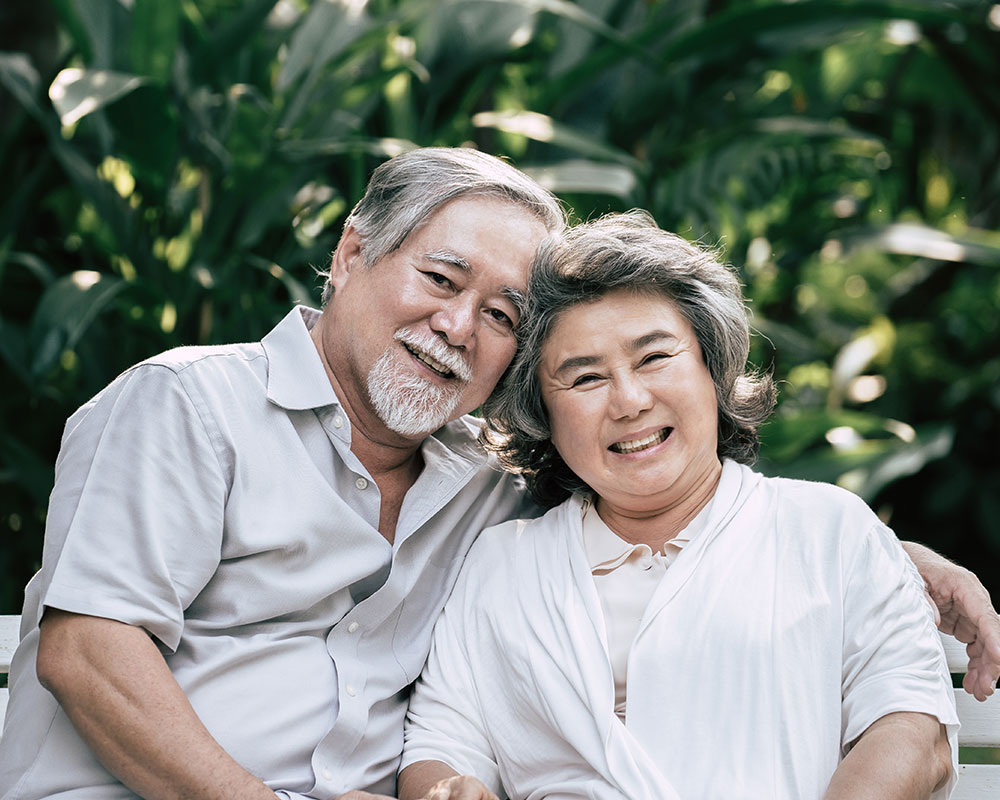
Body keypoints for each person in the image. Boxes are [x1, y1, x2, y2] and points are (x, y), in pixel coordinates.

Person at [0, 150, 995, 800]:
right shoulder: (188, 406)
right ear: (351, 252)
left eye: (503, 316)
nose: (456, 328)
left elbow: (672, 506)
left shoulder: (476, 484)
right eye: (440, 279)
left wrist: (881, 553)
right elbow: (89, 652)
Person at [399, 212, 971, 800]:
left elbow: (909, 726)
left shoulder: (828, 530)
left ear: (713, 366)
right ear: (542, 415)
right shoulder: (500, 564)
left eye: (654, 359)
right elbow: (442, 742)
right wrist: (448, 789)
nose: (629, 401)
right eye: (586, 378)